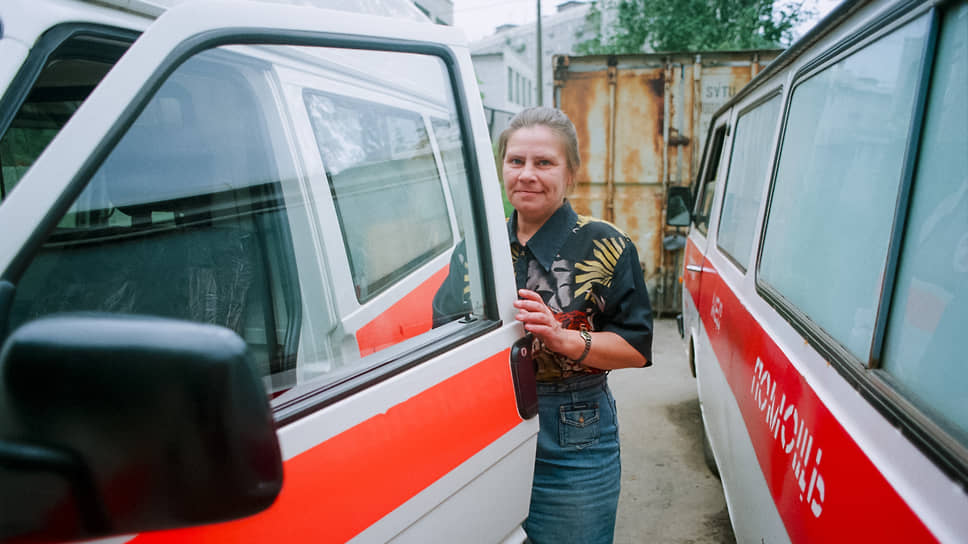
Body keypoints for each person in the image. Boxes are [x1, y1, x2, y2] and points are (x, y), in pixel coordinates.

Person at [432, 106, 653, 543]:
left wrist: (563, 338)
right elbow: (441, 327)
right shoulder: (479, 243)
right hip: (483, 421)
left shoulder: (606, 244)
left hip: (573, 431)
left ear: (570, 171)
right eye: (516, 161)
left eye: (544, 163)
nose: (527, 174)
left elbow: (636, 347)